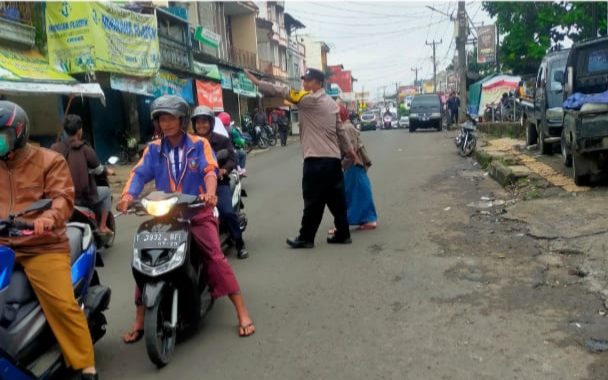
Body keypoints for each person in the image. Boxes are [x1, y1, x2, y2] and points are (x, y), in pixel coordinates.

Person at [118, 95, 255, 342]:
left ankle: (241, 311)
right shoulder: (153, 149)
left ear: (181, 120)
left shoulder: (199, 145)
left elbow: (210, 171)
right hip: (166, 215)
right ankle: (140, 318)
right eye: (162, 118)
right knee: (144, 259)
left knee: (214, 257)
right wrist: (128, 196)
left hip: (197, 212)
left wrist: (211, 194)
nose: (166, 123)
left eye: (171, 118)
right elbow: (139, 174)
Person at [0, 101, 99, 379]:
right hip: (3, 244)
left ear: (18, 133)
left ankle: (86, 366)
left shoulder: (48, 160)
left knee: (61, 304)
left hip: (40, 245)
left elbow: (62, 198)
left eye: (1, 135)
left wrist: (47, 219)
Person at [245, 68, 359, 248]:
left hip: (315, 161)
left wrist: (257, 83)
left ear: (318, 83)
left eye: (308, 80)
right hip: (333, 161)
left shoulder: (307, 99)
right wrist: (350, 151)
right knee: (337, 201)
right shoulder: (332, 104)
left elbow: (282, 90)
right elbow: (341, 132)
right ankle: (343, 234)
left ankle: (306, 237)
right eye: (304, 80)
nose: (305, 83)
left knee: (312, 201)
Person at [192, 106, 249, 259]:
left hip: (219, 183)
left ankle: (239, 243)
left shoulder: (222, 140)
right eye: (198, 123)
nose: (201, 126)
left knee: (227, 212)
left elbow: (232, 158)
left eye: (204, 122)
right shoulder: (190, 142)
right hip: (196, 186)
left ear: (210, 123)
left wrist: (224, 170)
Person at [50, 114, 115, 235]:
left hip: (60, 195)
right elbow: (99, 169)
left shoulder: (54, 148)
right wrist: (108, 171)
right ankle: (102, 227)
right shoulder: (85, 149)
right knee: (106, 192)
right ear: (80, 130)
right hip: (82, 197)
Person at [334, 105, 377, 231]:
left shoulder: (346, 128)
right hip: (354, 163)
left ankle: (367, 219)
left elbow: (350, 150)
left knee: (355, 192)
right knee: (356, 191)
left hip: (353, 163)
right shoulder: (346, 126)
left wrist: (341, 165)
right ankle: (365, 219)